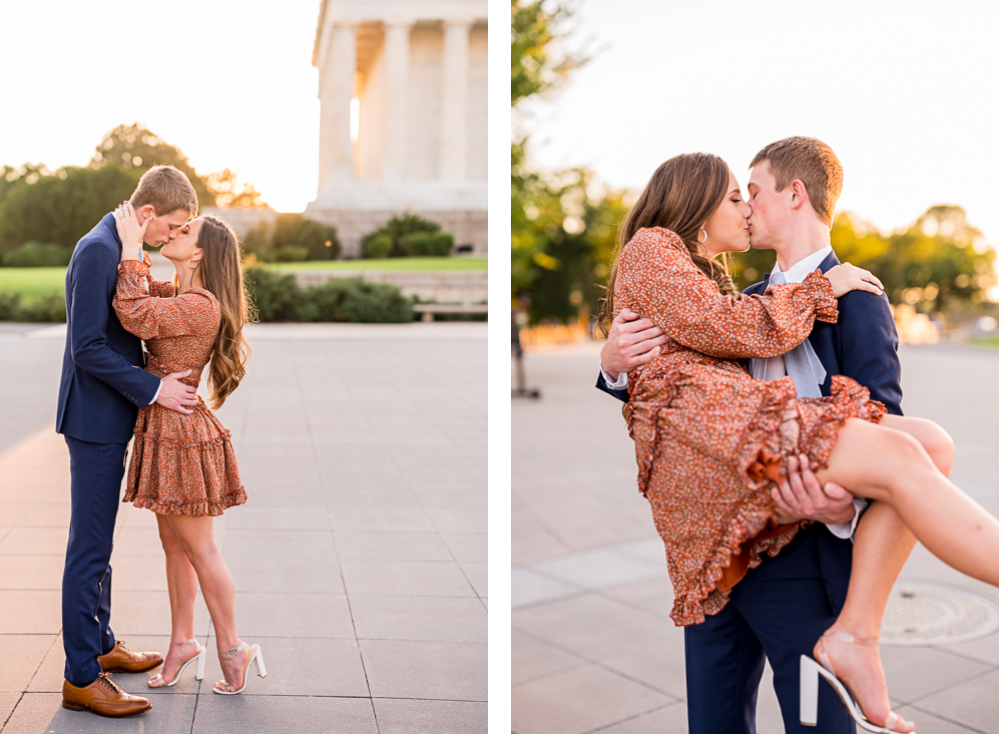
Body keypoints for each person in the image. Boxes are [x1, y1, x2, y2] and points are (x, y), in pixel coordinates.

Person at [599, 149, 998, 733]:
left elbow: (879, 411)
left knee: (817, 723)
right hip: (720, 537)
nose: (745, 205)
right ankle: (857, 636)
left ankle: (856, 632)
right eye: (736, 195)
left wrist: (840, 496)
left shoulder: (859, 295)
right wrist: (612, 365)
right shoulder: (743, 296)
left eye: (750, 191)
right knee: (713, 718)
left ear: (793, 194)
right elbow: (683, 361)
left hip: (799, 551)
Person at [57, 165, 200, 718]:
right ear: (147, 216)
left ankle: (102, 644)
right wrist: (153, 389)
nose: (173, 236)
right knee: (88, 548)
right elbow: (87, 347)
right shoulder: (99, 249)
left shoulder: (122, 244)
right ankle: (81, 676)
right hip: (94, 421)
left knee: (100, 543)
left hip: (108, 417)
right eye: (173, 226)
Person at [109, 200, 266, 697]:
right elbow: (142, 297)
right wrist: (141, 251)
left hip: (179, 435)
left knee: (200, 549)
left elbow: (132, 312)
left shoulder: (200, 305)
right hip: (166, 429)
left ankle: (232, 646)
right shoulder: (181, 291)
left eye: (185, 229)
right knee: (174, 546)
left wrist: (134, 247)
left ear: (198, 254)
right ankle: (182, 641)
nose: (174, 231)